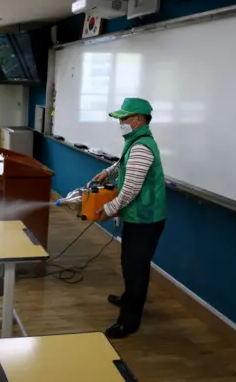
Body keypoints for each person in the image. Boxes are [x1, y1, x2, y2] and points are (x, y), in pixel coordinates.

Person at [93, 97, 166, 339]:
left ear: (138, 119)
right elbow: (124, 164)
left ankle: (129, 321)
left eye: (124, 118)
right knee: (129, 262)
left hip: (145, 219)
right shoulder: (135, 141)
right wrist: (108, 171)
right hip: (137, 216)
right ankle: (128, 298)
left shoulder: (142, 147)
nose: (121, 122)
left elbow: (132, 188)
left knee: (135, 267)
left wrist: (108, 208)